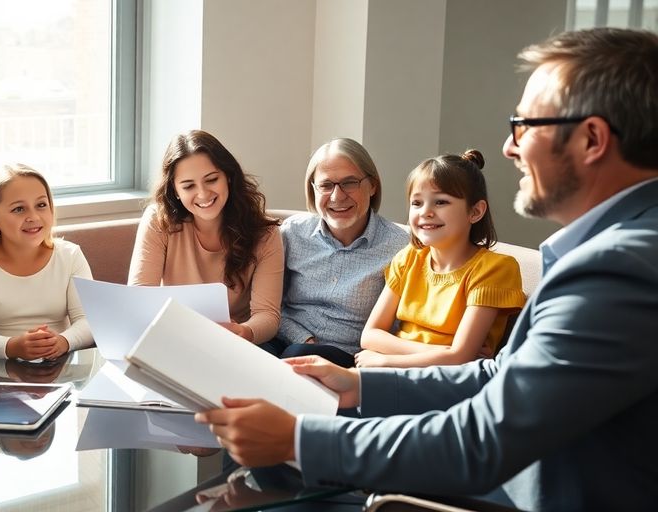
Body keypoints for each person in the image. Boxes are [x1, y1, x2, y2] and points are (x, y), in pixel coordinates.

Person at [197, 28, 658, 510]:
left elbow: (483, 441)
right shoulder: (614, 250)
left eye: (525, 125)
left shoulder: (619, 269)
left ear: (592, 139)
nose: (509, 147)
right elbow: (498, 375)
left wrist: (299, 440)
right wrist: (361, 385)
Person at [354, 150, 525, 368]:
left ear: (475, 212)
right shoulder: (408, 258)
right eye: (417, 203)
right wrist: (441, 351)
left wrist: (386, 360)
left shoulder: (495, 268)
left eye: (441, 202)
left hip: (447, 381)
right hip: (400, 370)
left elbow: (459, 360)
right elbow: (369, 336)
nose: (426, 212)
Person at [129, 130, 284, 347]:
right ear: (174, 190)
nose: (202, 194)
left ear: (228, 177)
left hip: (236, 345)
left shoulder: (265, 233)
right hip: (174, 338)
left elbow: (267, 315)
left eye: (211, 180)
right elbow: (139, 299)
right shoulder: (158, 221)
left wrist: (244, 331)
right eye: (188, 186)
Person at [277, 138, 408, 367]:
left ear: (373, 185)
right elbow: (269, 306)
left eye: (349, 183)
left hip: (350, 360)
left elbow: (404, 325)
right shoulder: (292, 233)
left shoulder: (401, 247)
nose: (337, 196)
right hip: (286, 341)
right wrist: (304, 339)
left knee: (296, 357)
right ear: (313, 189)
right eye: (326, 185)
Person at [0, 164, 94, 361]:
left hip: (63, 367)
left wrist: (63, 341)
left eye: (41, 205)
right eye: (19, 209)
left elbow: (89, 321)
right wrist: (13, 347)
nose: (33, 217)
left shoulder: (70, 255)